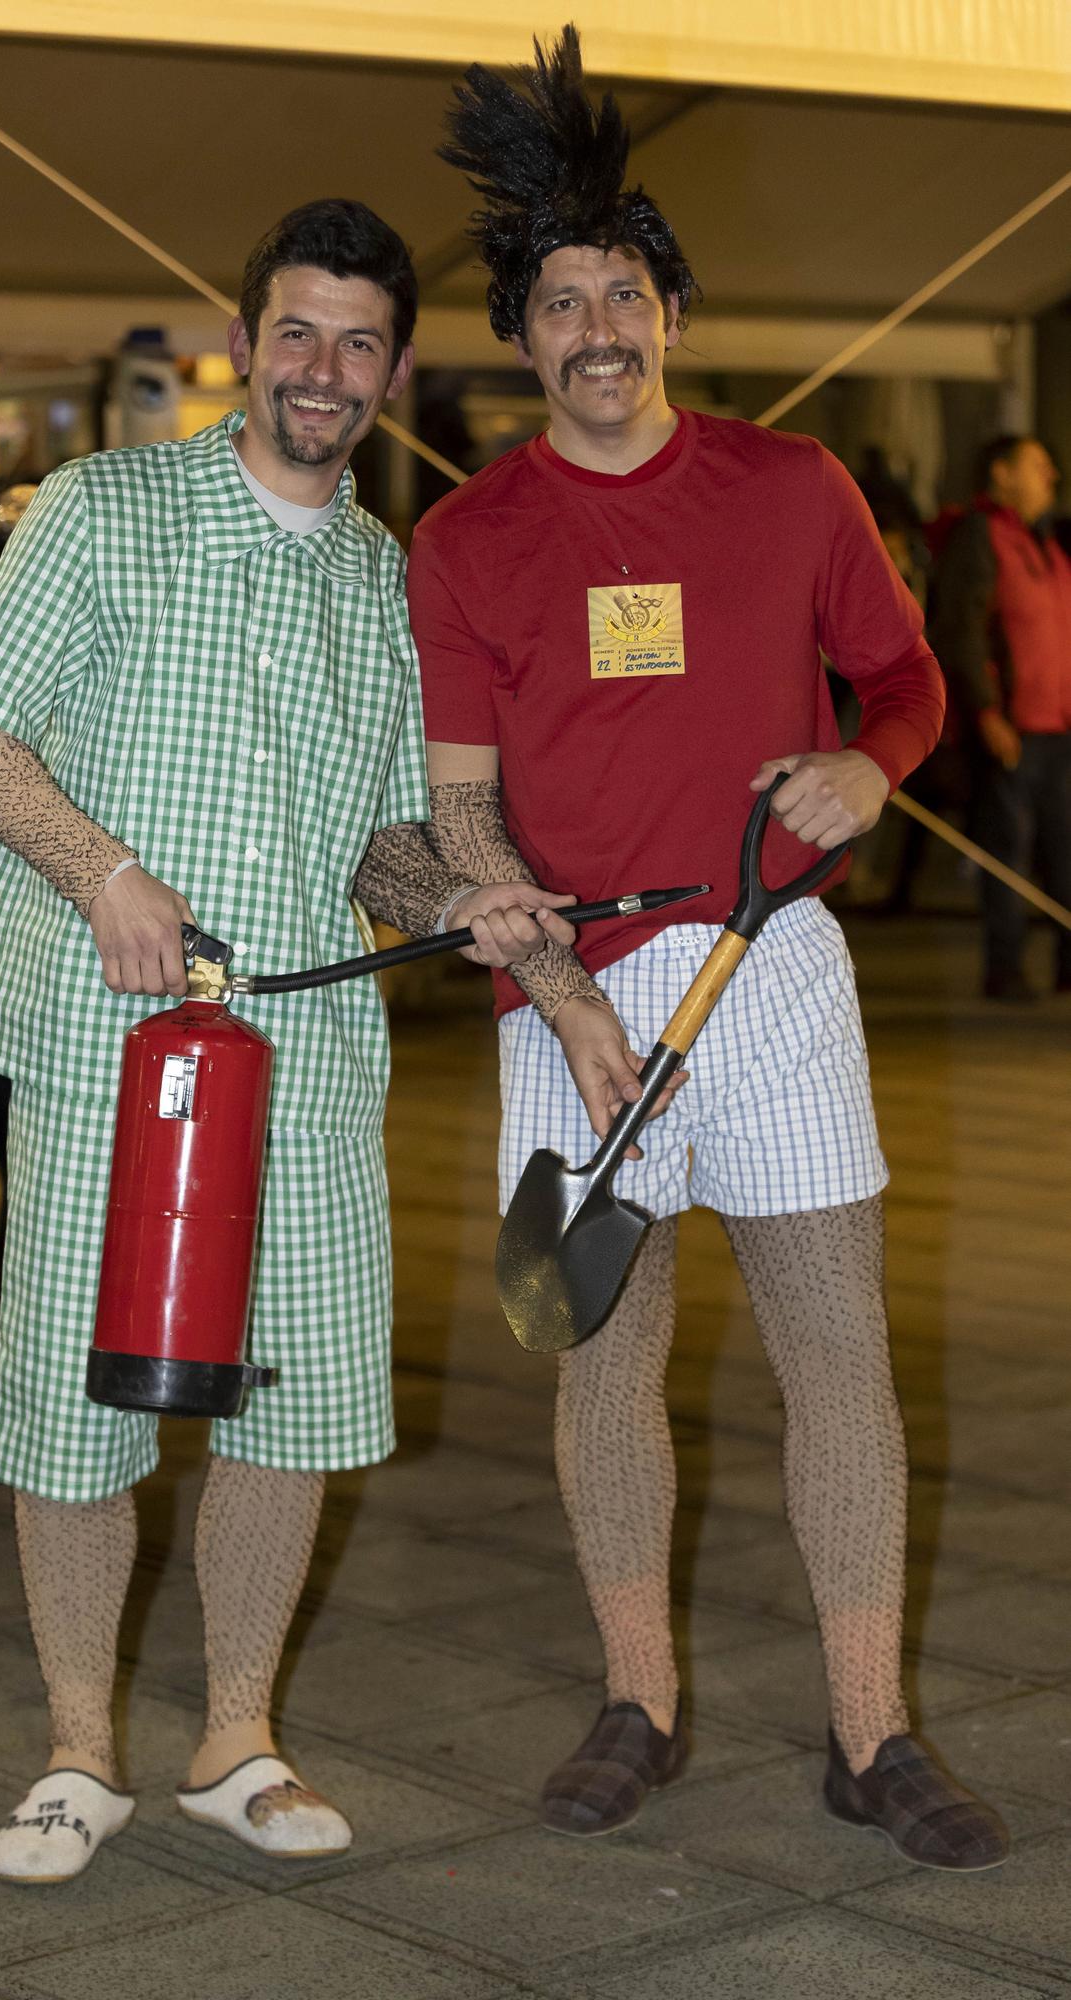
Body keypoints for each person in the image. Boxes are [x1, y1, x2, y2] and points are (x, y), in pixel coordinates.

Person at [407, 29, 1009, 1871]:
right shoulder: (463, 537)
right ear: (519, 338)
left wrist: (863, 760)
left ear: (668, 312)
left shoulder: (794, 489)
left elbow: (903, 685)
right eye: (556, 299)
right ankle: (637, 1698)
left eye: (622, 292)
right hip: (560, 987)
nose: (594, 325)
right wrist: (564, 999)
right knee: (601, 1349)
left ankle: (867, 1731)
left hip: (779, 973)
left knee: (834, 1349)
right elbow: (454, 806)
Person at [0, 198, 569, 1883]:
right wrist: (105, 872)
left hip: (302, 1053)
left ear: (394, 371)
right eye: (297, 332)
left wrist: (464, 902)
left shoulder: (382, 576)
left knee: (286, 1410)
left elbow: (371, 845)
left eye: (358, 343)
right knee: (81, 1408)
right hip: (100, 1037)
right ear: (240, 343)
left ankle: (233, 1739)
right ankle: (77, 1752)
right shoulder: (106, 512)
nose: (323, 370)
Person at [928, 434, 1071, 999]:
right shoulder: (981, 536)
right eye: (1039, 465)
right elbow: (961, 628)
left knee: (1063, 848)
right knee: (1007, 851)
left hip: (1057, 726)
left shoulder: (1046, 544)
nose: (1052, 475)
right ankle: (1005, 967)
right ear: (1002, 473)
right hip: (1011, 727)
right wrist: (986, 711)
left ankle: (1066, 961)